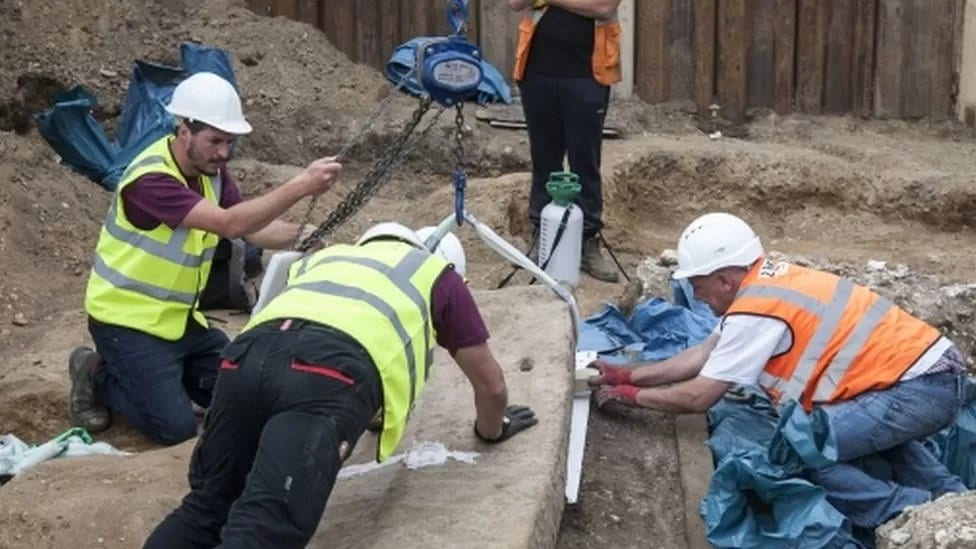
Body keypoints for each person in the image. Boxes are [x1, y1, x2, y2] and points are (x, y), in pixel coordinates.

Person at [143, 222, 538, 548]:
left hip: (244, 358)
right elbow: (493, 387)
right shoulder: (438, 277)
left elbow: (303, 329)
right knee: (266, 523)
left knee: (208, 506)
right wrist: (491, 430)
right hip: (327, 376)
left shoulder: (328, 259)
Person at [590, 212, 969, 530]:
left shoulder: (755, 312)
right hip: (924, 379)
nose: (699, 297)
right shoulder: (767, 284)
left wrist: (633, 399)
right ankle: (956, 505)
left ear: (724, 279)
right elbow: (701, 355)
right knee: (876, 442)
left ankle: (908, 517)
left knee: (801, 450)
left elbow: (699, 395)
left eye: (699, 286)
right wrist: (626, 374)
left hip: (917, 388)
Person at [67, 71, 343, 445]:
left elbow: (253, 228)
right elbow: (229, 224)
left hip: (180, 322)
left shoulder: (212, 173)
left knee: (247, 394)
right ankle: (95, 370)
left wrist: (302, 235)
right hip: (125, 323)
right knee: (175, 428)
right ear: (183, 131)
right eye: (215, 141)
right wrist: (301, 185)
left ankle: (164, 376)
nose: (223, 153)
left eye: (229, 142)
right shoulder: (150, 181)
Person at [508, 0, 623, 282]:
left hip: (588, 73)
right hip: (537, 72)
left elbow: (602, 8)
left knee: (584, 159)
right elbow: (514, 3)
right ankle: (542, 235)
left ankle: (587, 241)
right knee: (544, 157)